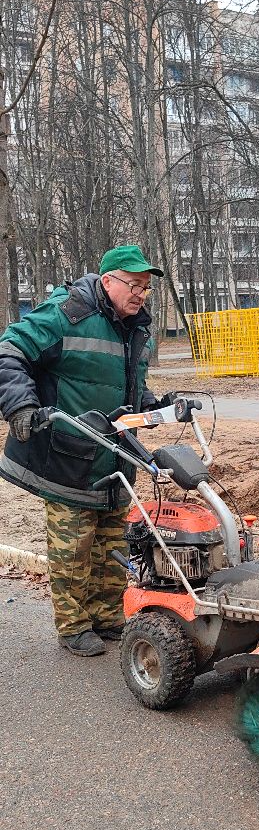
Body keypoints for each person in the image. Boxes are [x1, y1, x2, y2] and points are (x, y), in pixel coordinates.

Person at [0, 244, 175, 657]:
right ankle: (74, 625)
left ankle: (108, 615)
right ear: (108, 280)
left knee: (113, 542)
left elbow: (126, 384)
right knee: (72, 548)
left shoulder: (136, 327)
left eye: (146, 288)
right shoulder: (66, 313)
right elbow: (9, 351)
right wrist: (21, 405)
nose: (141, 295)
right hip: (67, 455)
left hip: (115, 456)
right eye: (134, 285)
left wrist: (151, 407)